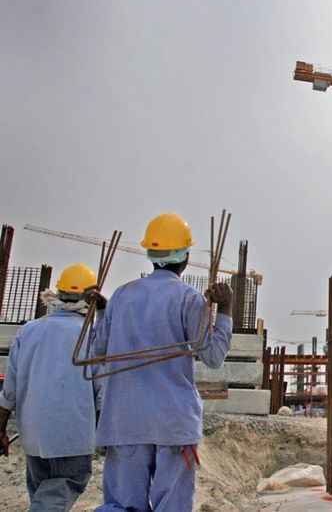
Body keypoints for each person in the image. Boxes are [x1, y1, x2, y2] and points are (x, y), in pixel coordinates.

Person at [93, 213, 233, 511]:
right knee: (172, 505)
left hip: (124, 420)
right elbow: (214, 357)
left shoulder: (121, 295)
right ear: (185, 256)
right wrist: (225, 311)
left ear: (150, 253)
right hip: (172, 422)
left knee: (122, 506)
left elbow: (99, 349)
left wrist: (103, 314)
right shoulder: (188, 298)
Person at [0, 263, 103, 510]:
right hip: (72, 437)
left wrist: (1, 430)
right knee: (58, 493)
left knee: (42, 494)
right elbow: (103, 392)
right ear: (91, 298)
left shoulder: (29, 331)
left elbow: (8, 392)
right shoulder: (92, 335)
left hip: (33, 436)